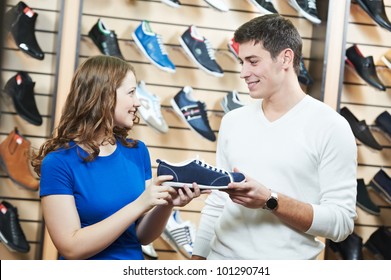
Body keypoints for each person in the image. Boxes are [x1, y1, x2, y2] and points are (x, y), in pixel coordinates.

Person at [191, 14, 358, 260]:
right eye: (241, 62)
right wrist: (197, 260)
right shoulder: (232, 122)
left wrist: (270, 200)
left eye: (253, 61)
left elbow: (341, 224)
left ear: (285, 58)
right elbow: (217, 203)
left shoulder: (331, 127)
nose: (244, 72)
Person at [32, 55, 201, 260]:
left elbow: (142, 236)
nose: (138, 102)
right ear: (104, 96)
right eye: (131, 93)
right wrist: (140, 204)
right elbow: (71, 247)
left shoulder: (137, 151)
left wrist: (166, 204)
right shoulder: (58, 163)